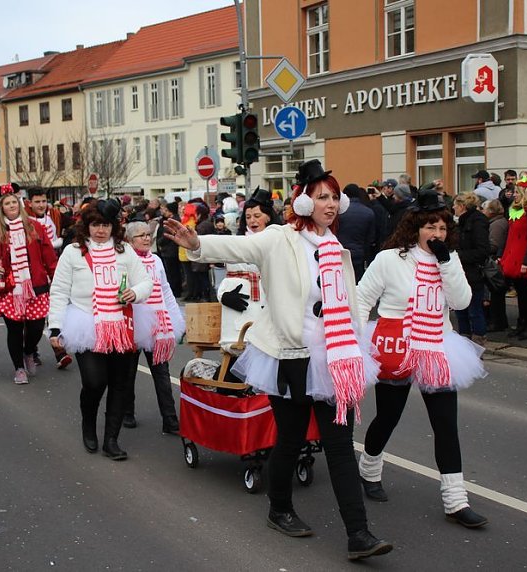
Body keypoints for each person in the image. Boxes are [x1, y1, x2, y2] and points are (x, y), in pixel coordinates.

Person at [164, 160, 392, 561]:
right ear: (303, 202)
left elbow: (348, 302)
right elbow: (239, 247)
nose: (331, 204)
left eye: (335, 197)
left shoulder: (336, 248)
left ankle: (359, 534)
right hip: (289, 355)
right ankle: (279, 508)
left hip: (333, 355)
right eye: (322, 197)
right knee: (290, 438)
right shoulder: (279, 239)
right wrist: (196, 242)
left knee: (339, 445)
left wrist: (355, 343)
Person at [356, 188, 488, 530]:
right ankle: (369, 470)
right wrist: (352, 341)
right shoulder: (390, 259)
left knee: (445, 425)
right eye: (431, 227)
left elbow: (460, 302)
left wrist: (447, 262)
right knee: (388, 417)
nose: (437, 234)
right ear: (416, 228)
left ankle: (456, 501)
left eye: (443, 228)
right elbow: (362, 299)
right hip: (396, 344)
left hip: (437, 347)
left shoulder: (450, 259)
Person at [48, 199, 153, 460]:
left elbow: (145, 282)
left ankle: (111, 440)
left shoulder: (124, 251)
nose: (100, 230)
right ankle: (88, 424)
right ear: (87, 226)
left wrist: (135, 292)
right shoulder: (73, 252)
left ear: (113, 227)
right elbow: (59, 291)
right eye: (95, 224)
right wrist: (55, 328)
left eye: (105, 225)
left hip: (121, 322)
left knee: (120, 384)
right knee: (94, 382)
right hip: (86, 322)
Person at [0, 184, 58, 384]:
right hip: (9, 288)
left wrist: (56, 279)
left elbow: (49, 256)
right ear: (1, 207)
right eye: (7, 203)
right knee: (14, 330)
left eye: (14, 202)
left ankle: (29, 351)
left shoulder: (35, 227)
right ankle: (19, 368)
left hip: (35, 285)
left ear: (19, 204)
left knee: (37, 327)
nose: (12, 205)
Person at [122, 221, 184, 434]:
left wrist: (176, 319)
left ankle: (170, 420)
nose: (146, 238)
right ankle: (127, 413)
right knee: (128, 373)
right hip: (134, 325)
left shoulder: (156, 260)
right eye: (141, 236)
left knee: (162, 374)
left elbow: (166, 290)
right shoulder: (124, 260)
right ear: (130, 240)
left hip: (158, 326)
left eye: (148, 234)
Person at [216, 189, 278, 354]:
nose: (252, 221)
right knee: (239, 347)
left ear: (268, 217)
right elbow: (226, 278)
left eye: (257, 216)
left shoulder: (278, 242)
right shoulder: (238, 242)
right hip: (240, 314)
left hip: (269, 308)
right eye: (248, 217)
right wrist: (223, 296)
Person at [26, 187, 71, 370]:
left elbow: (72, 225)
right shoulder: (25, 222)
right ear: (29, 203)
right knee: (34, 319)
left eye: (44, 201)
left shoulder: (54, 216)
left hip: (53, 269)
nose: (41, 205)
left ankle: (59, 351)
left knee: (55, 311)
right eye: (37, 202)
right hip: (33, 274)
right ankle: (31, 349)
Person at [499, 176, 527, 340]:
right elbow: (509, 235)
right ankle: (521, 323)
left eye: (517, 192)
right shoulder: (514, 211)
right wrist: (501, 254)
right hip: (513, 256)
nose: (514, 195)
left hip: (524, 257)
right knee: (520, 292)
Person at [452, 192, 490, 345]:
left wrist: (458, 256)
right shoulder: (461, 222)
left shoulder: (477, 222)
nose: (453, 207)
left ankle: (477, 344)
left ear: (462, 206)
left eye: (455, 205)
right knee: (460, 310)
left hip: (473, 273)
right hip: (460, 273)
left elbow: (482, 251)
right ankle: (464, 343)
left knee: (474, 310)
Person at [337, 184, 377, 282]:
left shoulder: (339, 212)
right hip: (359, 254)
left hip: (340, 252)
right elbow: (371, 238)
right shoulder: (368, 212)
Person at [482, 199, 509, 332]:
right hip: (495, 261)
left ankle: (497, 322)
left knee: (496, 294)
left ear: (491, 211)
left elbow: (494, 244)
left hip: (495, 264)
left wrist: (481, 247)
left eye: (484, 208)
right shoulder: (496, 222)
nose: (483, 211)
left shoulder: (497, 225)